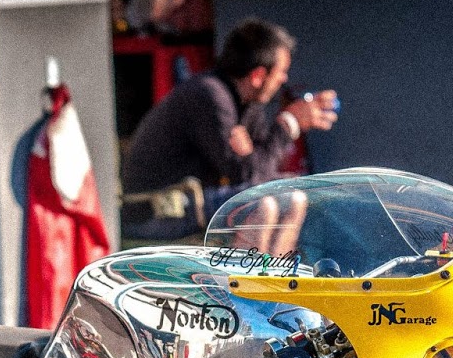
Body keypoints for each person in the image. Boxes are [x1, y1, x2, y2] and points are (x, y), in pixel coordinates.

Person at [121, 18, 337, 246]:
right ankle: (246, 281)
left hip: (190, 203)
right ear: (257, 76)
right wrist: (288, 122)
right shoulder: (209, 95)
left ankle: (275, 279)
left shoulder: (249, 105)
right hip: (157, 211)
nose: (284, 80)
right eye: (281, 72)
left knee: (294, 196)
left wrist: (252, 155)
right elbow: (247, 175)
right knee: (265, 204)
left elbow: (260, 169)